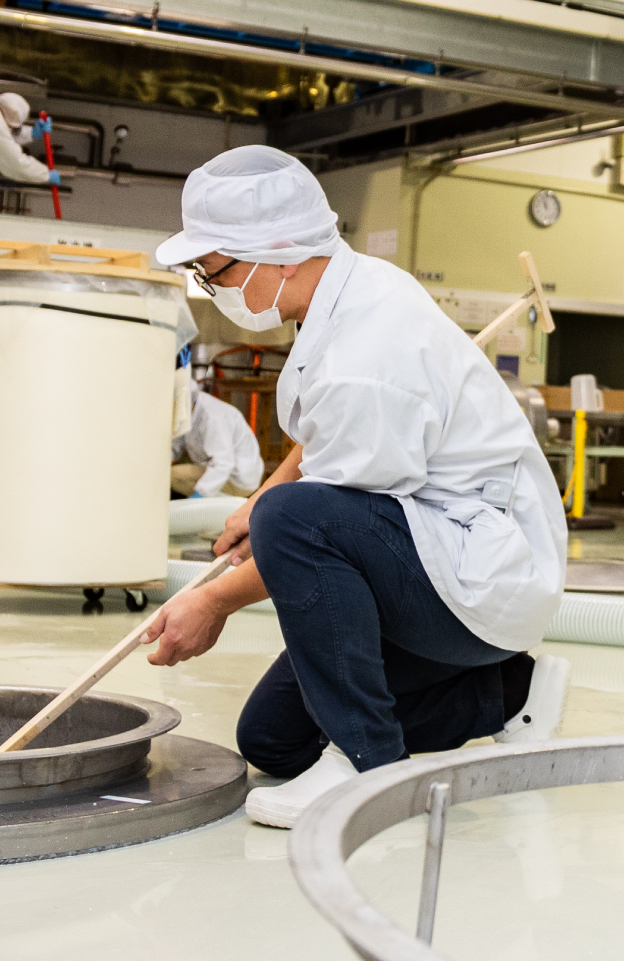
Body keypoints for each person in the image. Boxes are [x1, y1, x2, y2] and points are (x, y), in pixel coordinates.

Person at [145, 146, 569, 828]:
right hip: (431, 555)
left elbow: (318, 523)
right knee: (273, 741)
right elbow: (325, 438)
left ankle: (367, 763)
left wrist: (214, 600)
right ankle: (507, 694)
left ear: (278, 254)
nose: (211, 286)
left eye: (214, 270)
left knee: (293, 519)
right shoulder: (346, 293)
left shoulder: (368, 348)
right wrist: (261, 497)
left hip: (475, 581)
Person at [171, 383, 265, 498]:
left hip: (237, 480)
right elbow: (175, 446)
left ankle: (210, 503)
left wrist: (201, 493)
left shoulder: (213, 417)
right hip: (224, 466)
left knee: (172, 475)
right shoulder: (190, 408)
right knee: (179, 463)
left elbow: (223, 464)